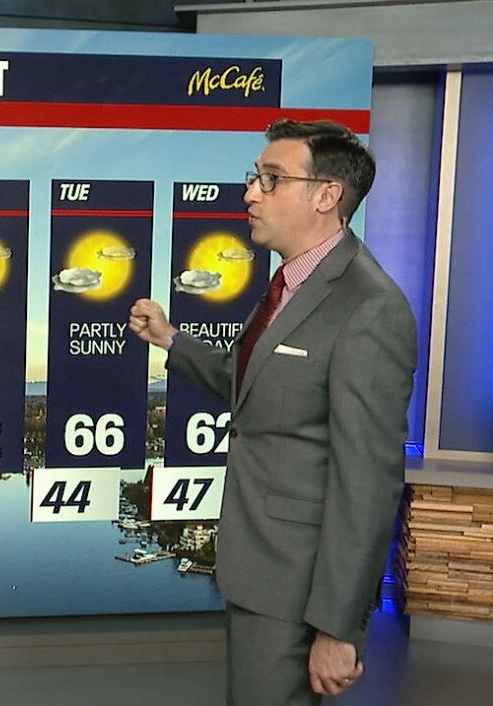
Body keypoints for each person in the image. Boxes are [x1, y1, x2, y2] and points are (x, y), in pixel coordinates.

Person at [128, 119, 416, 705]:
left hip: (297, 589)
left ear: (326, 195)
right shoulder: (291, 285)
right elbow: (256, 385)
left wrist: (338, 628)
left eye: (271, 179)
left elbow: (367, 483)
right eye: (254, 177)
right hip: (257, 569)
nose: (250, 193)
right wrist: (171, 341)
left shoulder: (369, 308)